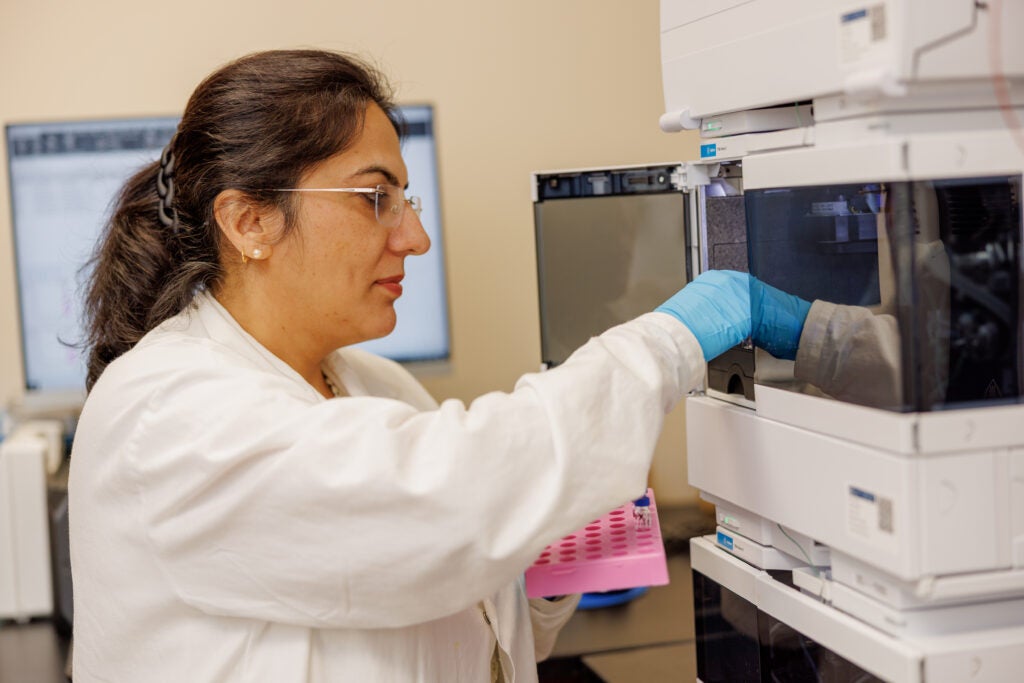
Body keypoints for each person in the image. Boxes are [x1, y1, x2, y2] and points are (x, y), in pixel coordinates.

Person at [69, 49, 774, 683]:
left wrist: (571, 527)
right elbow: (447, 501)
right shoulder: (163, 413)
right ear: (249, 222)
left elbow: (476, 614)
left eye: (405, 199)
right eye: (376, 198)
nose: (415, 235)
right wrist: (666, 343)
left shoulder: (373, 385)